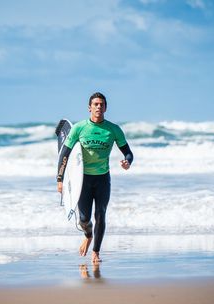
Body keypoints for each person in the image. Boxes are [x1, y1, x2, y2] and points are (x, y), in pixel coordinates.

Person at [57, 92, 133, 265]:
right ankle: (88, 235)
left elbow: (128, 152)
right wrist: (60, 179)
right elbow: (65, 154)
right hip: (81, 180)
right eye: (95, 104)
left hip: (102, 179)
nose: (99, 107)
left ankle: (96, 252)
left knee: (101, 214)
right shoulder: (79, 128)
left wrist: (127, 161)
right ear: (89, 107)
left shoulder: (113, 130)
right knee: (84, 219)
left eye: (102, 104)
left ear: (106, 107)